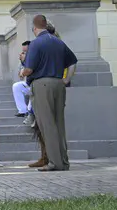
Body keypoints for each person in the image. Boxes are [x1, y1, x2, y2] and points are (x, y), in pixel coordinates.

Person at [22, 14, 78, 171]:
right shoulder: (58, 42)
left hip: (41, 84)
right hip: (59, 83)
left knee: (47, 125)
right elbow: (73, 61)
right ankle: (64, 161)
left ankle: (54, 162)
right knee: (59, 124)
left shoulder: (36, 43)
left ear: (34, 28)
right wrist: (66, 80)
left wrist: (22, 73)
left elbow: (29, 69)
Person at [11, 40, 46, 168]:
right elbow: (21, 75)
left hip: (37, 84)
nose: (24, 53)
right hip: (29, 84)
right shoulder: (24, 60)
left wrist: (25, 62)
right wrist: (23, 62)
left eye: (26, 51)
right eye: (23, 51)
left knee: (33, 92)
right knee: (17, 86)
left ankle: (30, 113)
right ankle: (24, 111)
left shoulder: (35, 56)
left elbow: (30, 70)